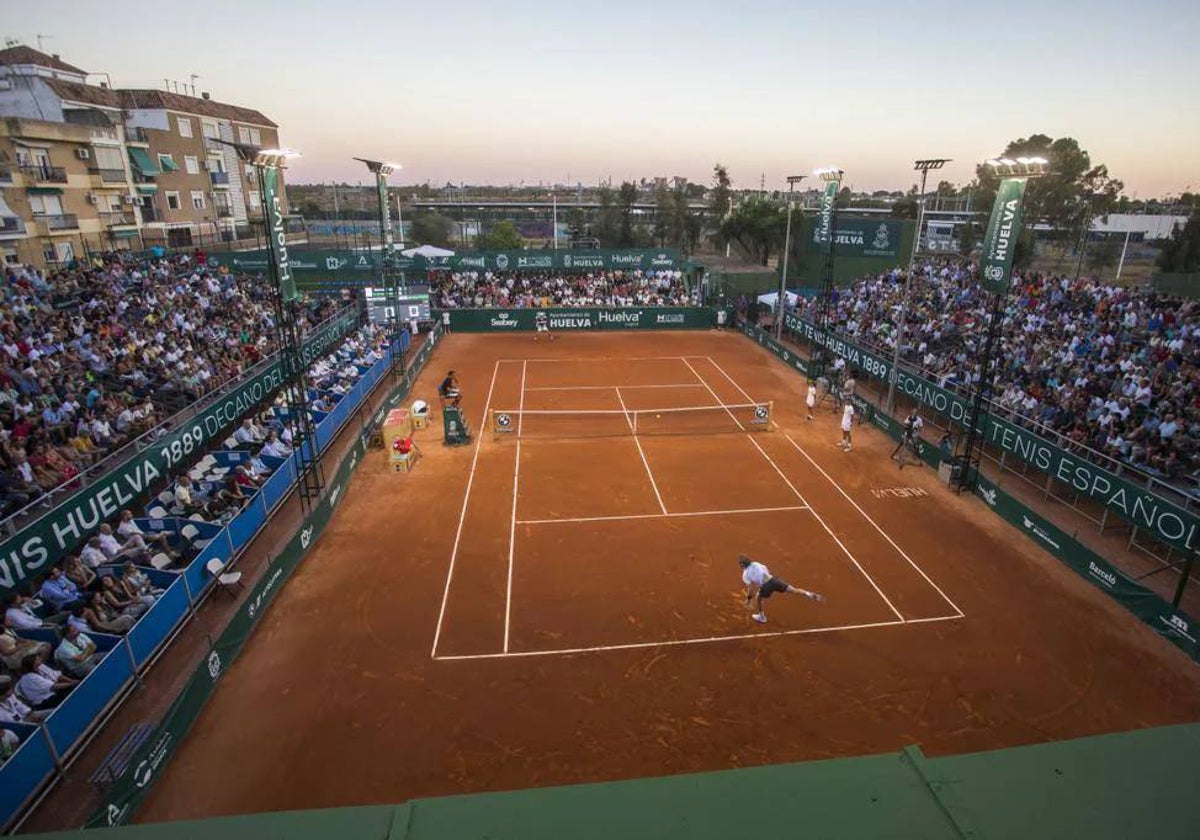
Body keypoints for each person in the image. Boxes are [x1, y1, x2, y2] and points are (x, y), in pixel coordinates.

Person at [738, 556, 824, 624]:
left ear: (742, 565)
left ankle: (762, 617)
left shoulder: (745, 574)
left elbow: (750, 588)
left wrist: (749, 599)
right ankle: (808, 594)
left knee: (759, 599)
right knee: (794, 590)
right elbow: (766, 569)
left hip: (766, 586)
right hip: (774, 580)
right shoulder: (756, 564)